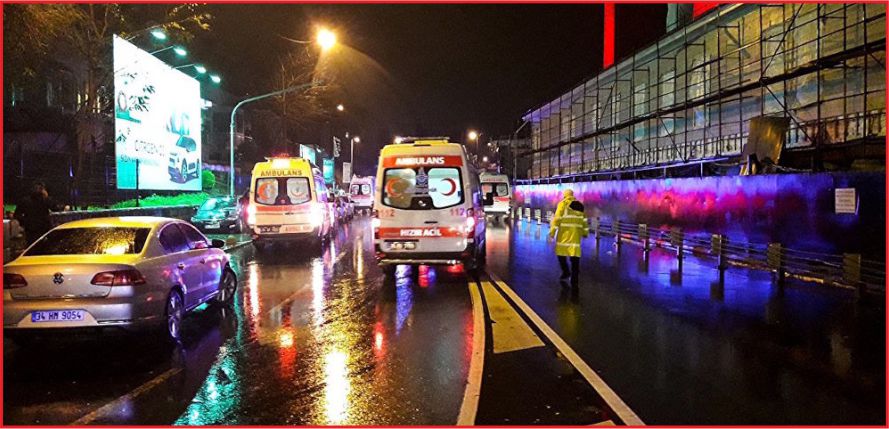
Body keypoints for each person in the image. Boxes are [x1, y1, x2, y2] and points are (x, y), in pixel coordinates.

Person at [549, 200, 589, 287]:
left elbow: (555, 223)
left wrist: (552, 234)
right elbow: (585, 228)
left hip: (563, 242)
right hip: (575, 244)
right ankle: (574, 280)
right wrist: (585, 234)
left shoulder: (564, 213)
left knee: (561, 257)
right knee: (575, 262)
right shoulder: (582, 216)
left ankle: (566, 271)